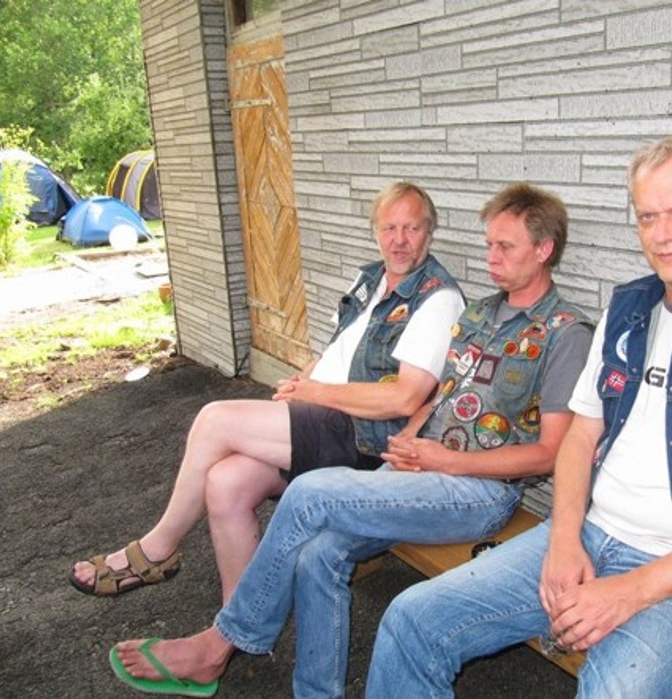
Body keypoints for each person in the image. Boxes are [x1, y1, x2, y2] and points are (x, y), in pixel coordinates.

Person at [366, 135, 672, 698]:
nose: (663, 233)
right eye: (648, 216)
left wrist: (628, 592)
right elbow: (581, 435)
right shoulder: (627, 310)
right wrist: (564, 538)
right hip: (585, 531)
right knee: (412, 621)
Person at [107, 182, 594, 698]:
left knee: (308, 494)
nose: (491, 257)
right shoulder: (480, 314)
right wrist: (411, 439)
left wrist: (445, 460)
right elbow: (442, 394)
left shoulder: (566, 334)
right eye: (490, 244)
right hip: (419, 468)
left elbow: (550, 454)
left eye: (505, 247)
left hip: (477, 492)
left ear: (544, 250)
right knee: (317, 554)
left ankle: (221, 643)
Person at [70, 181, 465, 603]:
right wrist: (301, 382)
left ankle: (157, 549)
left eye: (411, 229)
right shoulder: (371, 279)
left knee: (214, 420)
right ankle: (239, 618)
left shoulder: (436, 299)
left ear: (429, 232)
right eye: (389, 228)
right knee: (226, 482)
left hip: (365, 441)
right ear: (375, 231)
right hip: (325, 418)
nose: (399, 240)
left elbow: (404, 399)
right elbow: (339, 348)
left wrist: (315, 393)